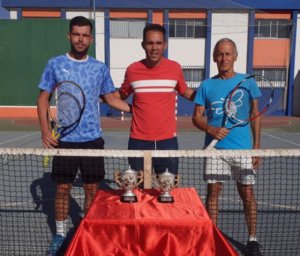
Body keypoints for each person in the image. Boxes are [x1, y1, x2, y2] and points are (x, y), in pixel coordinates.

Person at [37, 16, 131, 255]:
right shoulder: (55, 64)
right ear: (69, 36)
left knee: (92, 190)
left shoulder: (99, 68)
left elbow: (111, 99)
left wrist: (138, 108)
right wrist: (46, 131)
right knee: (62, 189)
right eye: (76, 34)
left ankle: (87, 230)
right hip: (65, 140)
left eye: (85, 35)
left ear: (90, 38)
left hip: (92, 139)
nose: (80, 39)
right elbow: (42, 98)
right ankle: (60, 234)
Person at [192, 38, 263, 256]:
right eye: (219, 54)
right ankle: (213, 234)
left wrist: (256, 147)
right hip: (215, 151)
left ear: (235, 56)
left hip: (242, 150)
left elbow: (255, 115)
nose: (223, 58)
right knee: (213, 192)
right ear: (214, 57)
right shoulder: (206, 85)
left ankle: (252, 239)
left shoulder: (248, 81)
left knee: (247, 193)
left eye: (228, 54)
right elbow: (197, 117)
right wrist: (210, 130)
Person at [114, 23, 195, 175]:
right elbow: (119, 96)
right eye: (150, 43)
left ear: (165, 45)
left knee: (167, 190)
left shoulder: (175, 68)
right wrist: (101, 97)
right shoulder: (132, 70)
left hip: (167, 141)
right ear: (143, 45)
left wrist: (208, 96)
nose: (154, 47)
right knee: (137, 189)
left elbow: (186, 92)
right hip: (138, 140)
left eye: (158, 43)